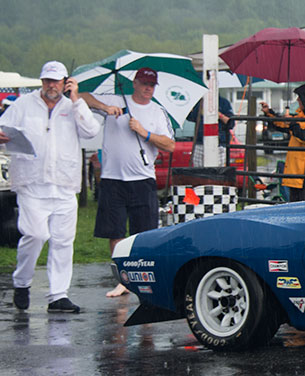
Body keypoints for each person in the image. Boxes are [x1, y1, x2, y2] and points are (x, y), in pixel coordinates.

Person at [0, 61, 100, 312]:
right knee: (35, 234)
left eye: (56, 81)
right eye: (47, 81)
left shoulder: (72, 106)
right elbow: (4, 130)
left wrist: (77, 100)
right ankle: (22, 282)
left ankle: (58, 295)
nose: (51, 86)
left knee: (63, 241)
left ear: (65, 82)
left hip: (64, 184)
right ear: (42, 81)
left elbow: (91, 131)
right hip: (31, 182)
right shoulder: (23, 104)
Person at [80, 67, 176, 298]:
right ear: (134, 83)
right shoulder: (115, 100)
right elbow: (82, 96)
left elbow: (170, 145)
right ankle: (123, 279)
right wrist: (104, 108)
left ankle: (143, 278)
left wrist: (144, 132)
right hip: (113, 179)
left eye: (152, 85)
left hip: (142, 179)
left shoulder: (156, 111)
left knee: (143, 233)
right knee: (115, 232)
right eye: (144, 84)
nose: (147, 89)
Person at [261, 83, 305, 201]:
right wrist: (269, 113)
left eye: (300, 97)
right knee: (294, 206)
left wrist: (292, 123)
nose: (297, 100)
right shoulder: (300, 117)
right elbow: (281, 125)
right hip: (294, 173)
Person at [186, 96, 235, 167]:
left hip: (219, 143)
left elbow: (231, 123)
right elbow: (191, 117)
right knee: (199, 171)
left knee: (218, 171)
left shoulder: (223, 103)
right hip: (200, 142)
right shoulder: (199, 103)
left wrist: (219, 114)